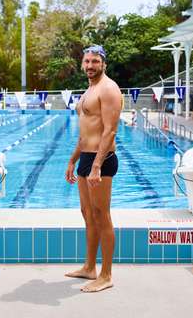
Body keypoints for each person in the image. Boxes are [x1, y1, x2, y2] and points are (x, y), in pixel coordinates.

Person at [65, 45, 122, 293]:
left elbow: (110, 131)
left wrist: (97, 165)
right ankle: (89, 267)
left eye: (95, 61)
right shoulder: (89, 90)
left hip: (103, 159)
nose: (90, 65)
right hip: (86, 158)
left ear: (103, 64)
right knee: (87, 213)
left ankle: (106, 274)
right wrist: (72, 160)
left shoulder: (109, 89)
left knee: (102, 215)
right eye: (87, 61)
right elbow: (85, 132)